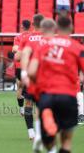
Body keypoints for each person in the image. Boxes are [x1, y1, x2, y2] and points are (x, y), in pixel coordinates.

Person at [28, 16, 84, 153]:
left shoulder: (43, 45)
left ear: (56, 29)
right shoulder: (78, 47)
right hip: (68, 96)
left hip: (47, 96)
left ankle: (49, 140)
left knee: (49, 141)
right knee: (66, 141)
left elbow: (32, 71)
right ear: (71, 28)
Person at [20, 14, 44, 140]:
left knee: (28, 103)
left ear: (33, 24)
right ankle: (41, 131)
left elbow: (18, 56)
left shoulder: (26, 38)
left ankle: (31, 132)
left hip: (30, 76)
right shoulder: (48, 38)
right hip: (45, 76)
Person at [12, 19, 31, 116]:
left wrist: (21, 50)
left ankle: (22, 110)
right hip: (31, 66)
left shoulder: (18, 37)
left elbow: (14, 49)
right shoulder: (33, 37)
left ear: (22, 26)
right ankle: (28, 109)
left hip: (20, 65)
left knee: (20, 87)